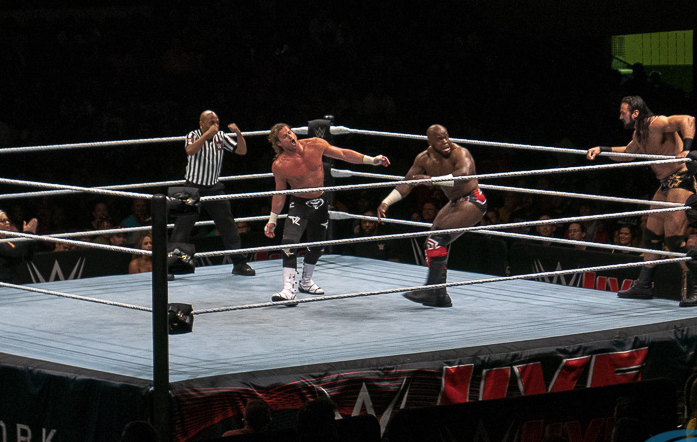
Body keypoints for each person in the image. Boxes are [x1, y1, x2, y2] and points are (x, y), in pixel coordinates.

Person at [586, 96, 697, 305]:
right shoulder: (639, 135)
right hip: (665, 184)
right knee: (650, 236)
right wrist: (602, 149)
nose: (620, 117)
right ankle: (644, 285)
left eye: (623, 112)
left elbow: (688, 119)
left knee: (674, 241)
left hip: (681, 179)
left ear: (635, 113)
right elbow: (628, 153)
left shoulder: (656, 123)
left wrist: (686, 149)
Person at [263, 124, 389, 302]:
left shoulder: (315, 144)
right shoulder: (280, 165)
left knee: (317, 245)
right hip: (299, 204)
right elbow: (280, 193)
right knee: (289, 242)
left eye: (290, 132)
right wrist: (272, 220)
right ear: (279, 143)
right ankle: (288, 289)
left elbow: (343, 154)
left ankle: (306, 281)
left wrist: (371, 160)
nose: (290, 136)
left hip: (320, 201)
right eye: (285, 136)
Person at [377, 125, 485, 308]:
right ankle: (440, 296)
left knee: (437, 240)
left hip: (473, 200)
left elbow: (464, 175)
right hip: (454, 202)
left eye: (446, 137)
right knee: (431, 242)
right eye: (440, 139)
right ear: (430, 141)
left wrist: (431, 180)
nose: (445, 142)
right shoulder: (423, 159)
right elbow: (408, 182)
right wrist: (387, 202)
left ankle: (430, 290)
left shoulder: (460, 152)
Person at [172, 110, 256, 276]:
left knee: (228, 226)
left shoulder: (221, 137)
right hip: (191, 187)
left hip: (214, 187)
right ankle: (172, 267)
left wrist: (238, 134)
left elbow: (241, 151)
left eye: (217, 122)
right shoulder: (193, 135)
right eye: (211, 122)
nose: (215, 125)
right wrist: (207, 135)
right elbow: (190, 150)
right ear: (201, 123)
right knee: (181, 228)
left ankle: (239, 263)